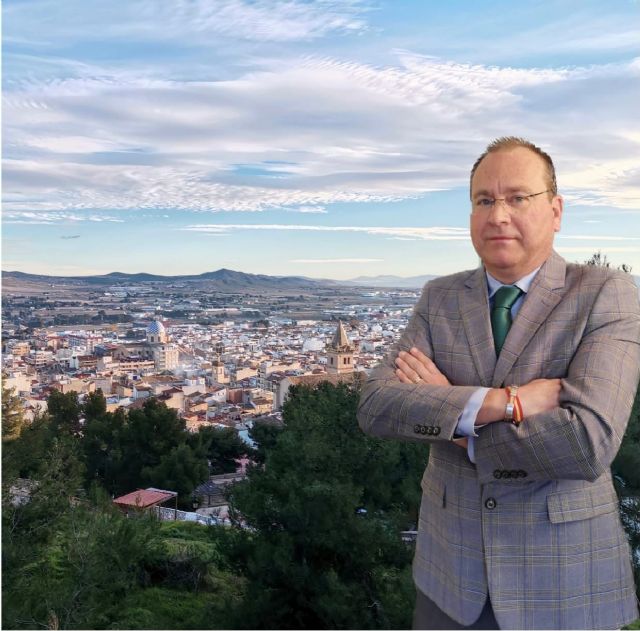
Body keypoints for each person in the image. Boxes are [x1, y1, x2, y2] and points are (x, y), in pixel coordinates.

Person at [357, 137, 640, 630]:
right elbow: (376, 405)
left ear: (555, 211)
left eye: (517, 198)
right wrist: (504, 403)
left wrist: (458, 424)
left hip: (566, 580)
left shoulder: (604, 293)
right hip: (448, 575)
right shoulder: (439, 297)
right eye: (484, 200)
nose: (498, 215)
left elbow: (588, 442)